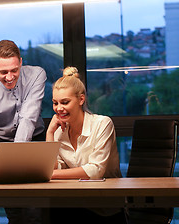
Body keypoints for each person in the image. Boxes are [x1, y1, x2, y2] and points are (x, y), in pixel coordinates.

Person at [0, 40, 47, 223]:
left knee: (36, 205)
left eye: (14, 70)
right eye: (3, 72)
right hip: (1, 144)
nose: (9, 77)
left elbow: (28, 118)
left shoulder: (37, 75)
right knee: (13, 206)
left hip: (35, 140)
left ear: (21, 62)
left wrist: (15, 158)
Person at [46, 66, 125, 224]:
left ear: (81, 99)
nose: (59, 108)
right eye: (55, 103)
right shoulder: (58, 131)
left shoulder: (102, 124)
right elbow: (53, 167)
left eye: (65, 102)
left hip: (103, 207)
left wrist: (50, 175)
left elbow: (95, 170)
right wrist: (49, 133)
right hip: (71, 204)